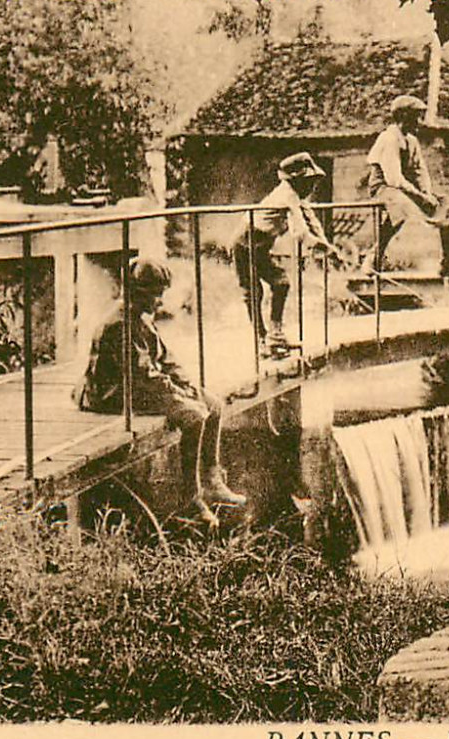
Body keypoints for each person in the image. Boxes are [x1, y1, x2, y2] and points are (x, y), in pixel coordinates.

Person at [75, 258, 245, 518]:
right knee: (195, 416)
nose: (159, 301)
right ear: (139, 294)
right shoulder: (119, 324)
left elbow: (166, 359)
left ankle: (212, 479)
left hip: (140, 386)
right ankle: (191, 497)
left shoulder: (141, 318)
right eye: (156, 295)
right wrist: (177, 395)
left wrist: (186, 384)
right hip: (113, 393)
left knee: (213, 404)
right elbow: (144, 376)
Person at [233, 151, 339, 357]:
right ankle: (262, 340)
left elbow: (312, 221)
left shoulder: (297, 197)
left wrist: (327, 244)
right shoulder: (288, 195)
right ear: (297, 180)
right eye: (309, 181)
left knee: (281, 283)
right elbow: (300, 233)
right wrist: (325, 249)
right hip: (245, 243)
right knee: (253, 293)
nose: (312, 187)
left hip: (261, 246)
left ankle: (276, 334)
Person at [365, 94, 449, 282]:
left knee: (448, 205)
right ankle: (374, 257)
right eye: (416, 117)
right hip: (384, 187)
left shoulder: (411, 141)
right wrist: (420, 197)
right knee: (401, 207)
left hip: (408, 189)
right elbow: (394, 178)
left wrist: (427, 193)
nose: (420, 122)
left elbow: (420, 171)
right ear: (403, 117)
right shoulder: (389, 139)